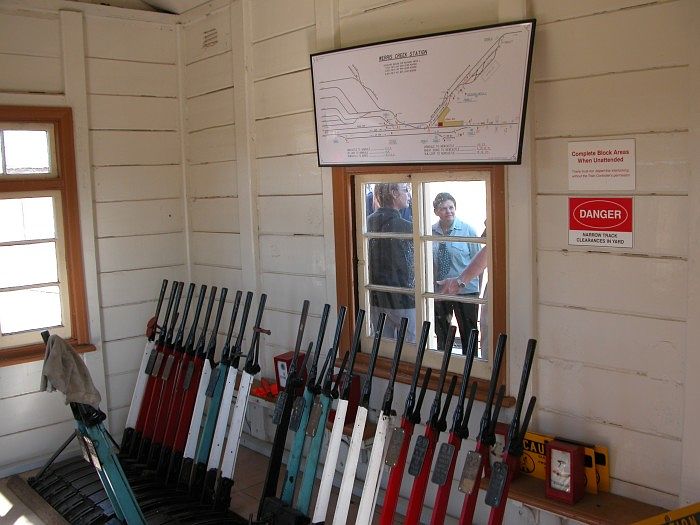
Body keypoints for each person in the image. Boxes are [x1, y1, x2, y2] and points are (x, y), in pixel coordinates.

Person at [431, 192, 482, 354]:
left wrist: (477, 291)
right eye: (443, 208)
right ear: (436, 212)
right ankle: (444, 366)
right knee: (442, 333)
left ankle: (471, 368)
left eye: (451, 207)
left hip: (465, 291)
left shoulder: (468, 231)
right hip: (441, 291)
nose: (448, 211)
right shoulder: (429, 232)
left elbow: (480, 264)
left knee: (469, 333)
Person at [367, 182, 416, 342]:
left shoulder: (367, 223)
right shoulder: (407, 228)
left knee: (382, 347)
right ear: (394, 193)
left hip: (375, 296)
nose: (409, 194)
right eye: (405, 190)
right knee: (412, 348)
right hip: (404, 298)